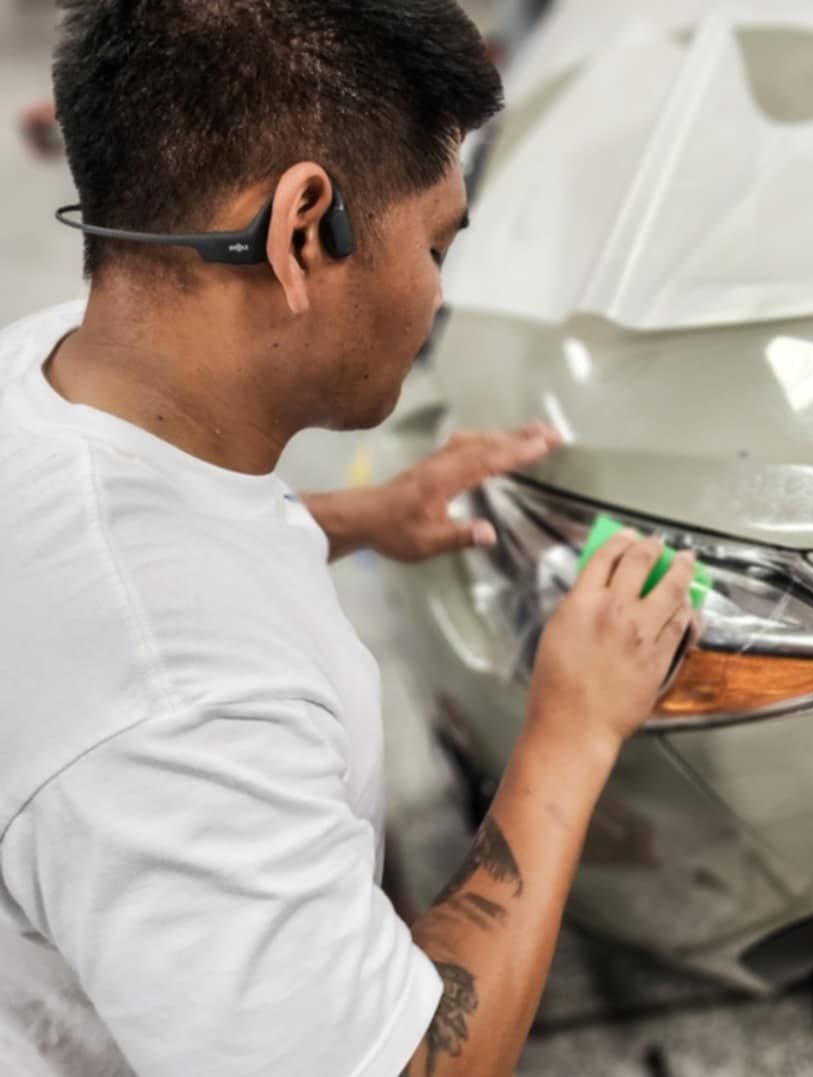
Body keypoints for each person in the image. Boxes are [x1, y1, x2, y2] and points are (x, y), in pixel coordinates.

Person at [0, 3, 699, 1076]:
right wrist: (570, 730)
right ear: (298, 231)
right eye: (433, 241)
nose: (436, 293)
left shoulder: (54, 363)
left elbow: (131, 557)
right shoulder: (180, 720)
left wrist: (356, 519)